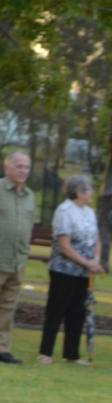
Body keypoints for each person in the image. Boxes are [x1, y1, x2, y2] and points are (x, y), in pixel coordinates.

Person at [37, 176, 104, 365]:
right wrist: (86, 262)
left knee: (77, 312)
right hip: (64, 271)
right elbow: (64, 246)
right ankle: (45, 351)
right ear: (79, 192)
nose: (91, 193)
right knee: (57, 309)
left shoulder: (90, 212)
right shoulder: (64, 211)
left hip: (83, 273)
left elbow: (96, 239)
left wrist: (95, 260)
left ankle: (71, 354)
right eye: (89, 189)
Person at [0, 151, 36, 364]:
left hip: (18, 261)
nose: (23, 170)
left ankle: (2, 348)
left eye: (26, 167)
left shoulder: (30, 196)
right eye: (19, 166)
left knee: (8, 305)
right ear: (7, 168)